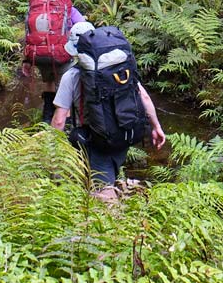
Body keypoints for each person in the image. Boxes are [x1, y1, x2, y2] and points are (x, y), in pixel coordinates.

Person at [50, 23, 166, 191]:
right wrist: (156, 127)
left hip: (96, 139)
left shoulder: (71, 76)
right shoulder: (119, 69)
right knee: (108, 175)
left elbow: (60, 120)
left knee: (102, 190)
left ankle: (109, 202)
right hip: (124, 131)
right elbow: (144, 97)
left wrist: (52, 149)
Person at [21, 0, 85, 121]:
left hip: (39, 54)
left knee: (48, 82)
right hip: (62, 54)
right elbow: (84, 27)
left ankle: (47, 115)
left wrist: (26, 60)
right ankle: (65, 122)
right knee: (64, 87)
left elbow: (28, 34)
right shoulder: (71, 10)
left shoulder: (36, 9)